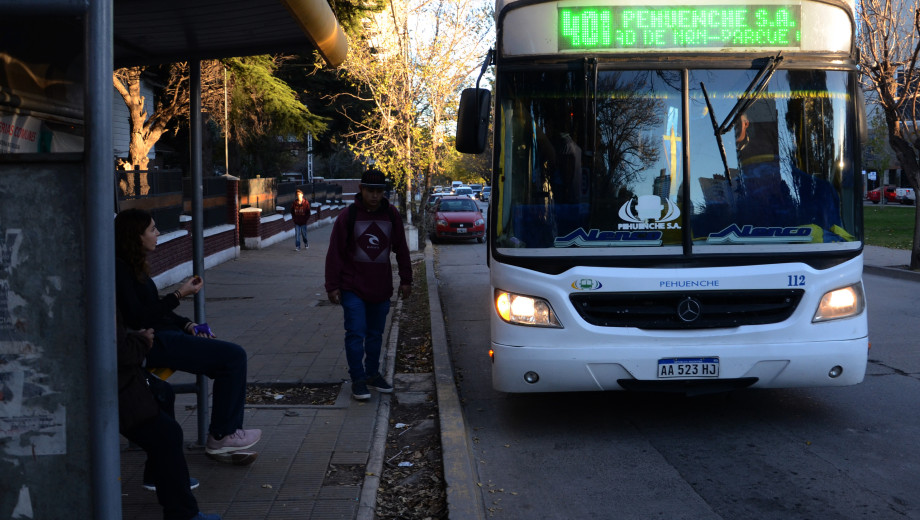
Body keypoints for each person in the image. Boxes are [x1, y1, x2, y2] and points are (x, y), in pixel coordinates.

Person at [114, 208, 261, 457]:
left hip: (163, 336)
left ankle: (224, 433)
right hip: (152, 342)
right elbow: (140, 316)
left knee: (228, 359)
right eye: (152, 229)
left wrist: (187, 324)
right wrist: (179, 294)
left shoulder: (133, 266)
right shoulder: (120, 270)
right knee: (233, 357)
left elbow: (153, 307)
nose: (158, 233)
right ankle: (223, 435)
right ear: (135, 236)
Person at [117, 312, 221, 520]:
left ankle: (163, 483)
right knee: (166, 434)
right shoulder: (99, 296)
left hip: (125, 380)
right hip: (119, 385)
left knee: (164, 410)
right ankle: (182, 512)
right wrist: (142, 340)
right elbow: (120, 350)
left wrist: (185, 319)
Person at [324, 168, 412, 400]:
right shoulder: (348, 216)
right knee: (355, 333)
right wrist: (332, 286)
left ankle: (373, 374)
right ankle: (358, 379)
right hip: (352, 287)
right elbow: (335, 253)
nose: (375, 195)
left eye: (379, 191)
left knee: (375, 334)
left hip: (381, 287)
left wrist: (406, 280)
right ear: (361, 189)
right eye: (370, 190)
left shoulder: (391, 215)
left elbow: (401, 249)